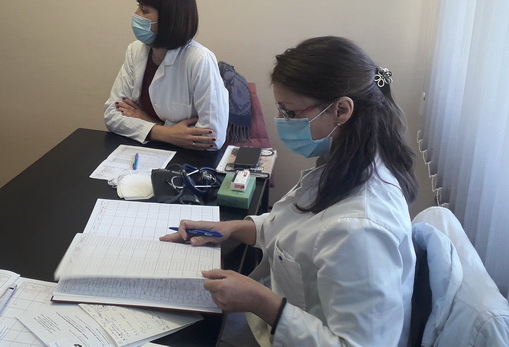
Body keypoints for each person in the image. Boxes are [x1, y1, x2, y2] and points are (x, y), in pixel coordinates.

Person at [163, 36, 419, 346]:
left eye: (291, 113)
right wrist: (232, 228)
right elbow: (297, 229)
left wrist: (262, 303)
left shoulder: (361, 229)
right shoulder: (344, 165)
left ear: (341, 110)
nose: (282, 123)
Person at [103, 0, 228, 150]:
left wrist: (148, 121)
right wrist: (165, 132)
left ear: (169, 19)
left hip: (188, 158)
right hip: (144, 149)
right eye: (138, 7)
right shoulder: (135, 50)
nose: (135, 14)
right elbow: (112, 115)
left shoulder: (199, 59)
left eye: (144, 10)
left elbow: (212, 138)